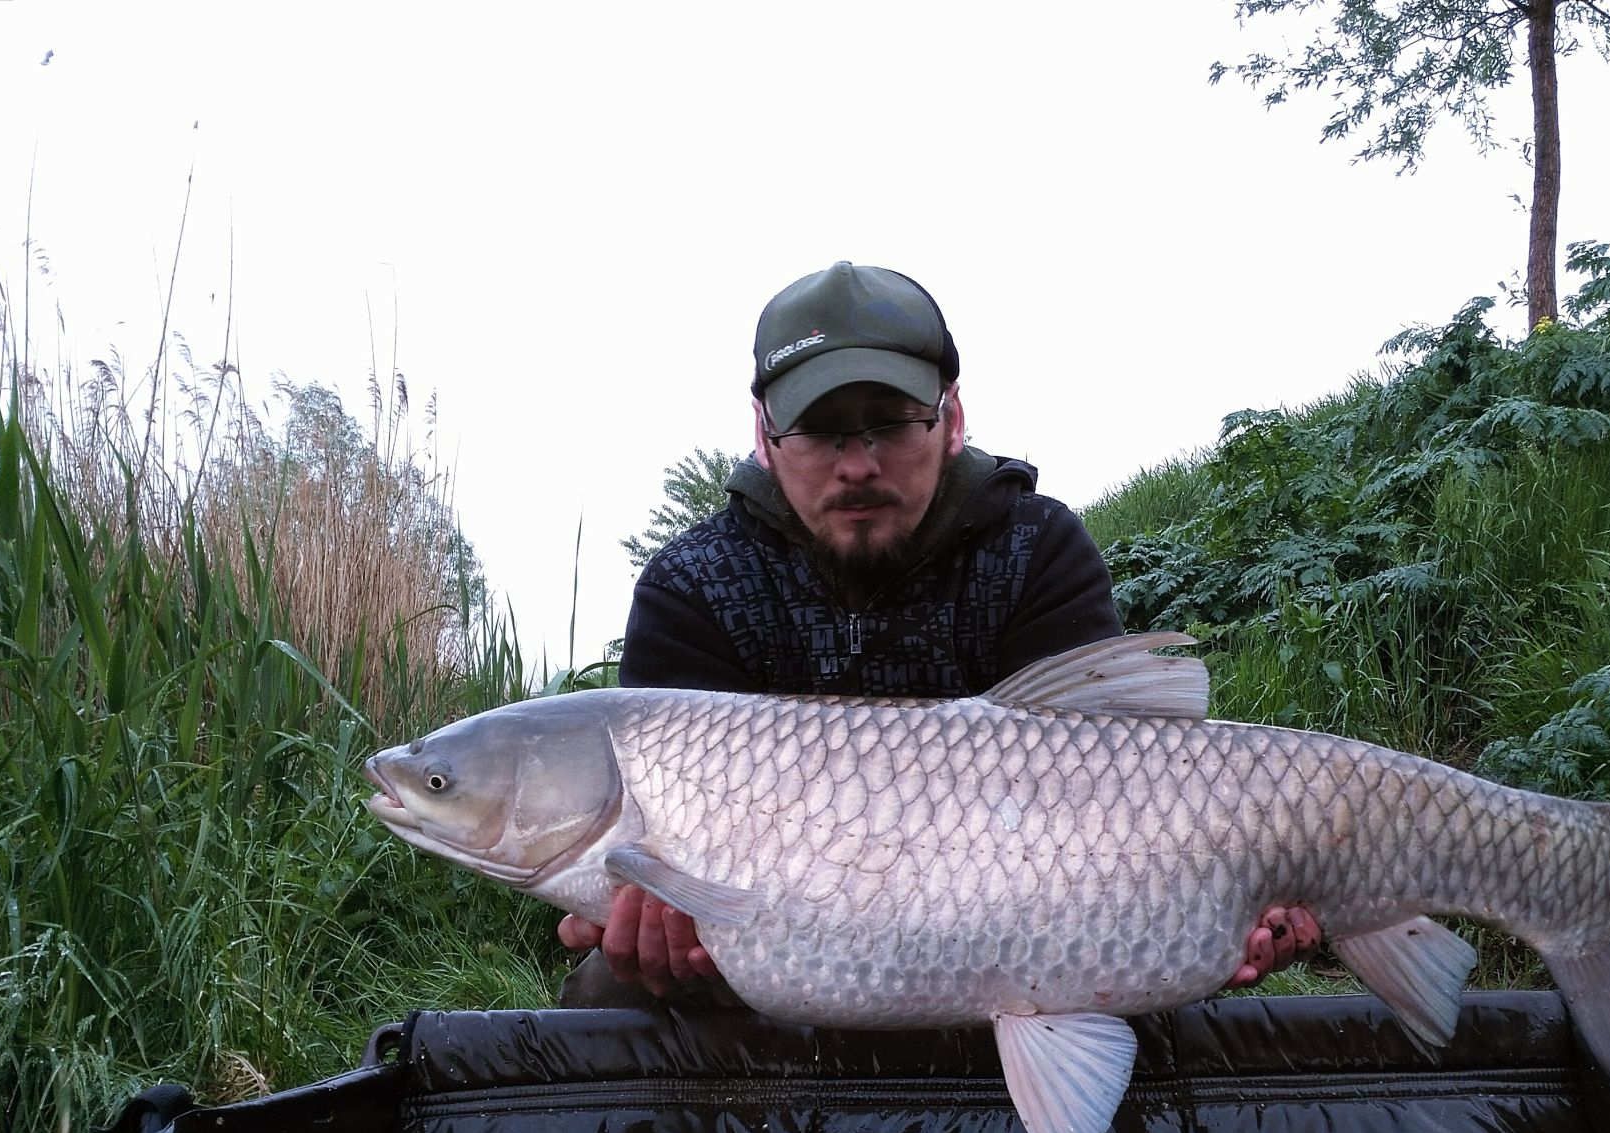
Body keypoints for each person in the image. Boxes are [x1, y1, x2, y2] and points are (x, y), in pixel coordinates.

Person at [558, 261, 1320, 1006]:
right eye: (820, 432)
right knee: (610, 991)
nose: (856, 465)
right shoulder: (693, 586)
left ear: (951, 419)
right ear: (764, 436)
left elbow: (1123, 802)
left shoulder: (1036, 547)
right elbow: (669, 889)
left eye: (889, 424)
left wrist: (1200, 919)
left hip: (1037, 922)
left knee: (1160, 966)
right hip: (775, 949)